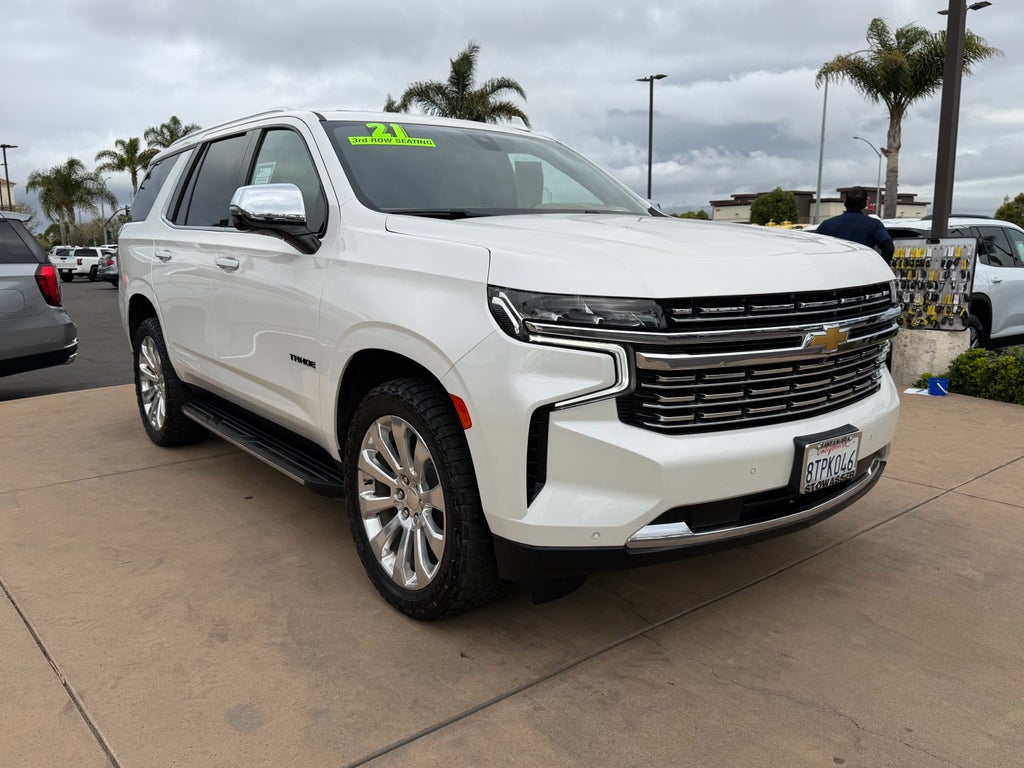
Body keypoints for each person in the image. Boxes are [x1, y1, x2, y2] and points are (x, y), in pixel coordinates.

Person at [816, 186, 895, 263]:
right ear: (865, 204)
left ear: (845, 202)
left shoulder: (826, 225)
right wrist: (880, 266)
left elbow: (812, 245)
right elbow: (889, 248)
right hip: (863, 271)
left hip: (832, 270)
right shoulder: (874, 225)